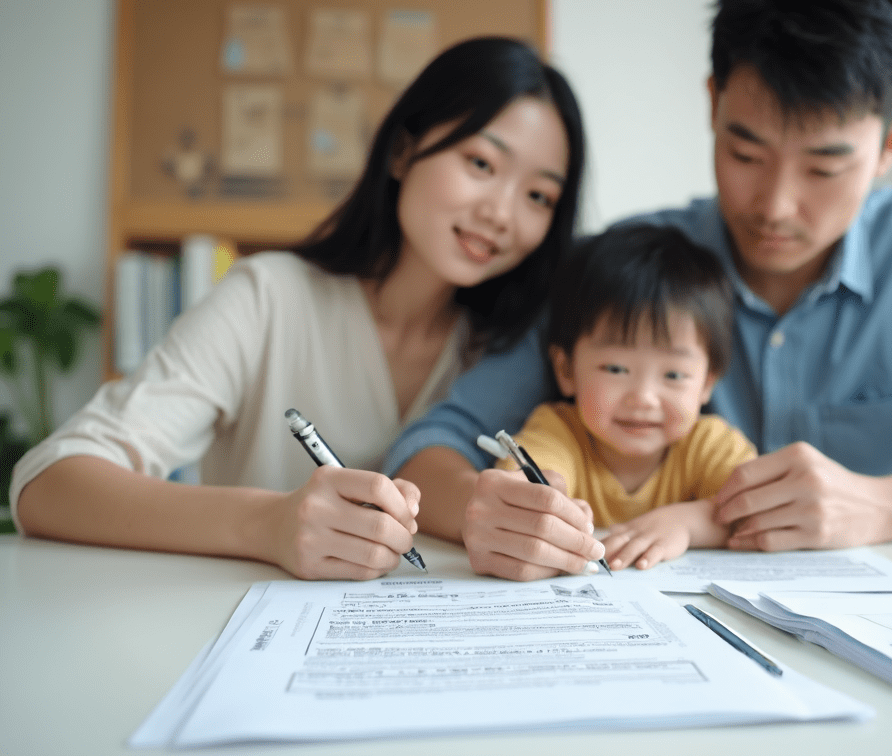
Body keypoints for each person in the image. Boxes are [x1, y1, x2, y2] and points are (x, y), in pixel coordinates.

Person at [388, 0, 892, 582]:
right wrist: (481, 510)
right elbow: (433, 444)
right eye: (745, 151)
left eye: (823, 167)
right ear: (713, 105)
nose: (776, 205)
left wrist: (889, 505)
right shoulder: (629, 266)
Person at [11, 37, 585, 581]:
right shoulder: (269, 297)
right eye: (482, 164)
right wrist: (267, 524)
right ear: (403, 151)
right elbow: (49, 485)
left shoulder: (515, 351)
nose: (502, 214)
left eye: (539, 196)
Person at [493, 225, 757, 571]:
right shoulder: (559, 431)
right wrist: (540, 497)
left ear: (707, 383)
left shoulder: (710, 446)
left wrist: (688, 523)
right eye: (616, 369)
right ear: (566, 370)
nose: (643, 398)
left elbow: (756, 514)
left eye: (674, 375)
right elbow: (525, 479)